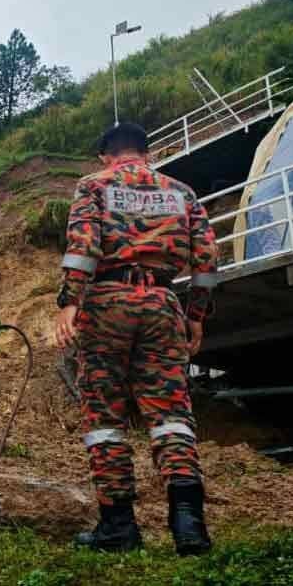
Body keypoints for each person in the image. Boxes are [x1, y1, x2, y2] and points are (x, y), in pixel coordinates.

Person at [54, 122, 218, 555]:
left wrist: (69, 300)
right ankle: (189, 527)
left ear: (106, 155)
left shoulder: (95, 185)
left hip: (108, 303)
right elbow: (205, 258)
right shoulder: (180, 191)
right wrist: (196, 316)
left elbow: (84, 244)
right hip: (164, 304)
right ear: (146, 152)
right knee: (171, 414)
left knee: (105, 417)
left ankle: (118, 527)